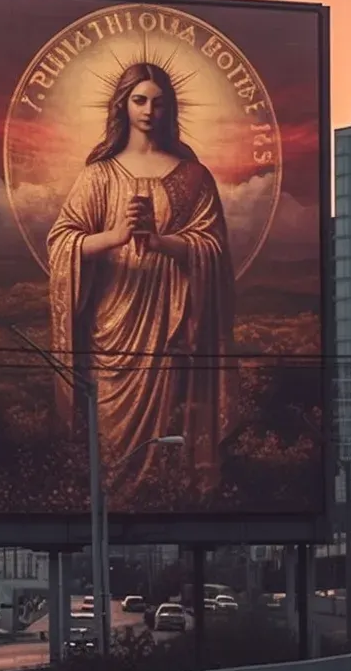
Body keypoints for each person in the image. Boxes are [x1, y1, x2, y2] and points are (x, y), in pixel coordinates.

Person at [47, 62, 237, 505]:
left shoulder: (194, 178)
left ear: (170, 108)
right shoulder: (99, 175)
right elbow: (61, 244)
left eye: (158, 101)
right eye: (139, 100)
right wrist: (114, 237)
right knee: (108, 450)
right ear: (123, 106)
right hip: (110, 329)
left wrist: (162, 242)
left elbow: (214, 250)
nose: (149, 110)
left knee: (166, 452)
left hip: (168, 331)